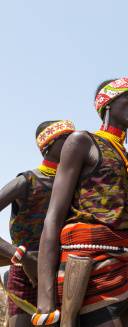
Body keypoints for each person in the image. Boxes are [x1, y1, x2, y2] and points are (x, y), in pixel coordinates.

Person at [36, 78, 128, 326]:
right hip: (85, 266)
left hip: (124, 263)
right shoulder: (82, 141)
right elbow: (53, 217)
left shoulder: (125, 157)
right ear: (107, 103)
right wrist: (45, 299)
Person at [0, 120, 75, 326]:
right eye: (66, 139)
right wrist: (21, 256)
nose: (73, 144)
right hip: (25, 273)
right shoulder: (26, 182)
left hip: (65, 271)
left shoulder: (76, 185)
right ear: (48, 144)